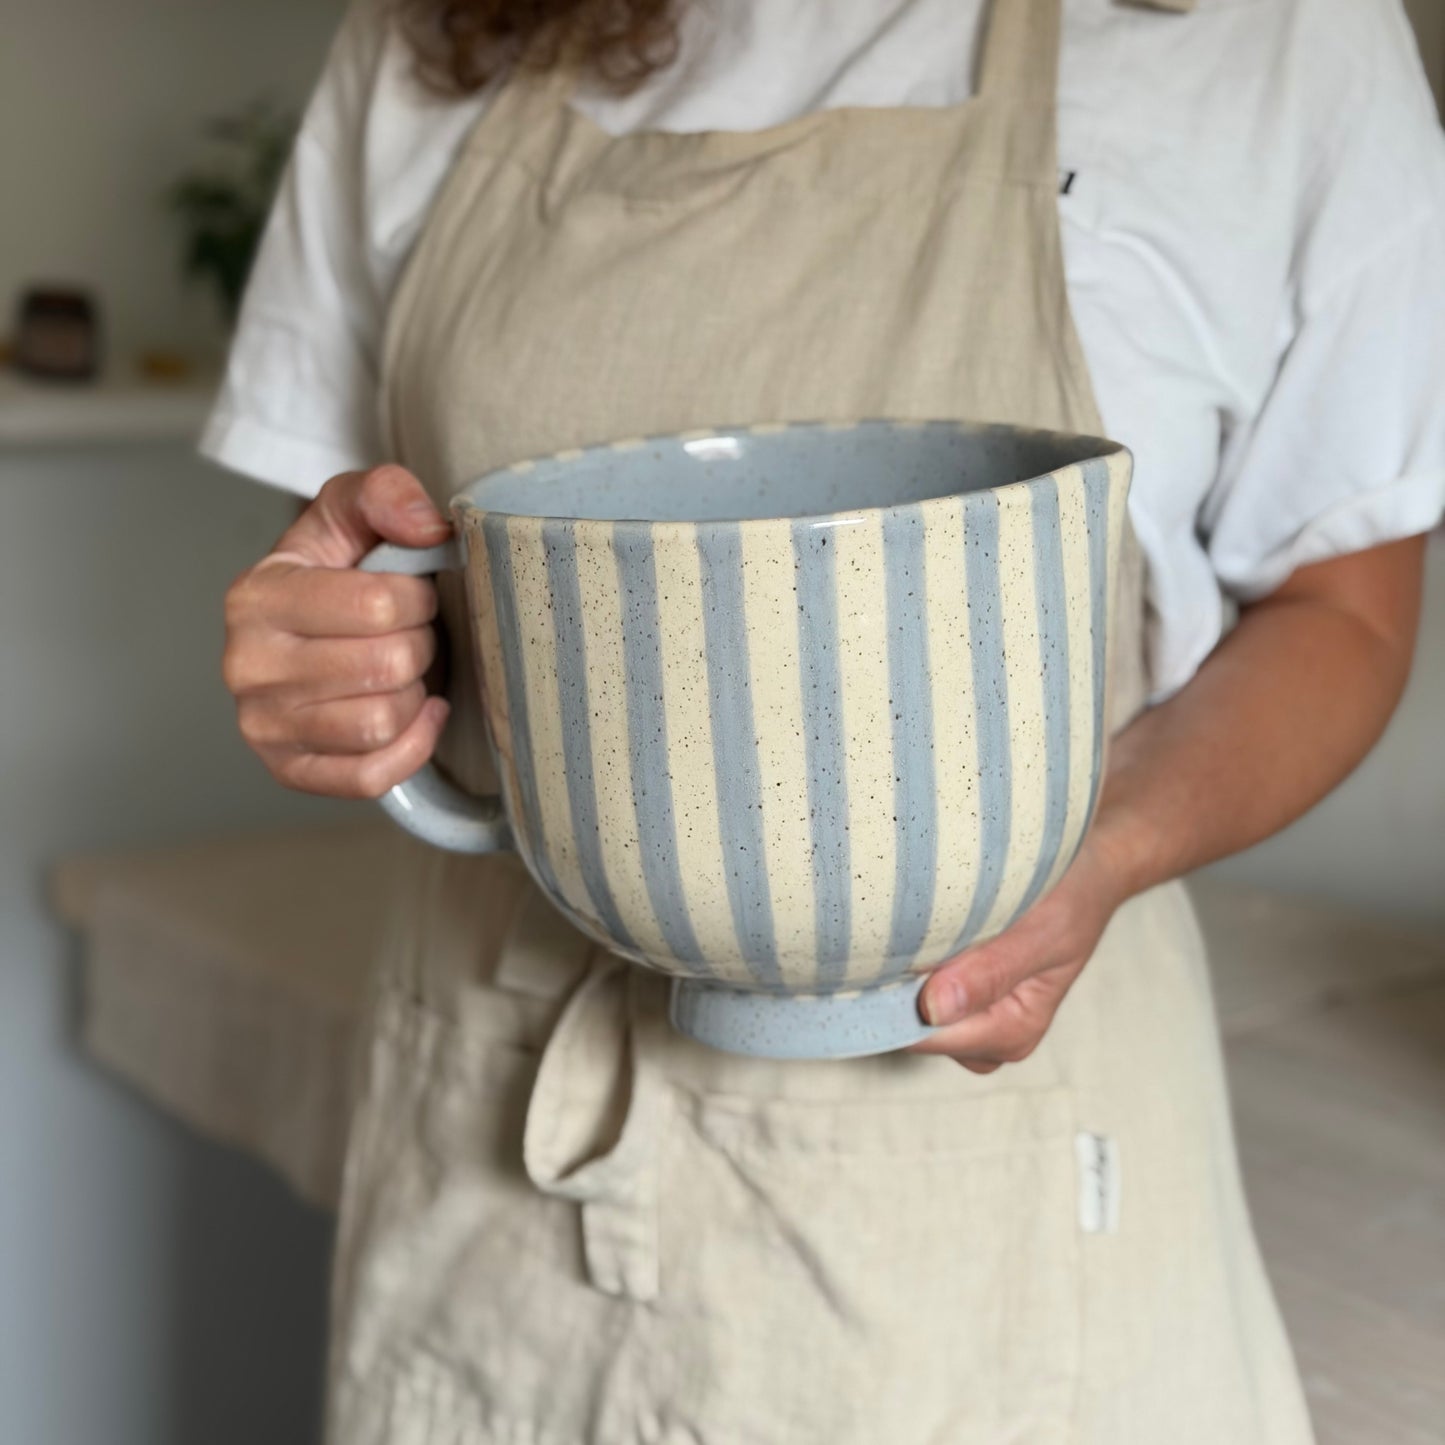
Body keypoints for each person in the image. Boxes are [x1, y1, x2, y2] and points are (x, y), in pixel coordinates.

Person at [209, 0, 1445, 1440]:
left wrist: (1096, 848)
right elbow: (357, 561)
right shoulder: (433, 31)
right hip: (506, 1175)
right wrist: (325, 667)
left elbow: (1343, 615)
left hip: (1004, 1226)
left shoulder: (1272, 33)